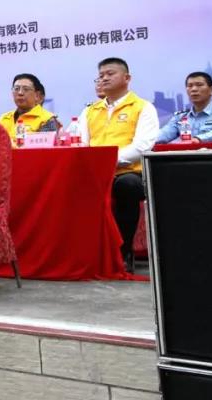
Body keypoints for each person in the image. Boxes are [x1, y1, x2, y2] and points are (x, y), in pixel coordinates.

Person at [79, 57, 159, 268]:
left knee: (127, 186)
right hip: (96, 172)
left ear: (127, 78)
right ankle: (82, 253)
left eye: (110, 74)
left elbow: (142, 146)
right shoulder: (90, 111)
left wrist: (108, 162)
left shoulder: (143, 107)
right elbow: (82, 143)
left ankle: (124, 252)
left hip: (129, 171)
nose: (104, 78)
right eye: (101, 75)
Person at [155, 71, 212, 144]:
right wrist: (149, 140)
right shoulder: (180, 117)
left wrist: (198, 139)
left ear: (211, 90)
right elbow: (164, 134)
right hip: (187, 155)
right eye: (190, 86)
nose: (194, 89)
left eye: (199, 85)